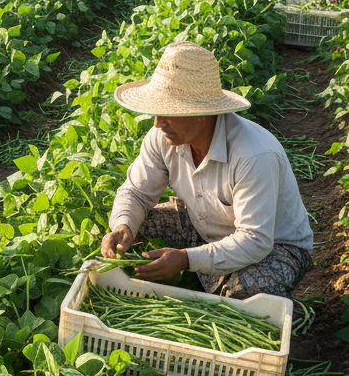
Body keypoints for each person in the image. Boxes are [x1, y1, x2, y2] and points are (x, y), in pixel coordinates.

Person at [101, 41, 313, 299]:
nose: (158, 123)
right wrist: (124, 225)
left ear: (201, 112)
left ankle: (214, 281)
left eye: (168, 111)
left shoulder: (253, 155)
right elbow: (136, 192)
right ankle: (196, 276)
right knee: (135, 233)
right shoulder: (163, 137)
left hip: (275, 246)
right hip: (202, 225)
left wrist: (184, 260)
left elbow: (255, 240)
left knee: (249, 292)